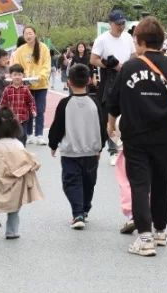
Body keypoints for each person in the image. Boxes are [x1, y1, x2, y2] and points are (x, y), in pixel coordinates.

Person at [106, 16, 167, 257]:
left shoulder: (129, 67)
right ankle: (160, 231)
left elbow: (113, 101)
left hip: (135, 136)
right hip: (165, 135)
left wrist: (111, 122)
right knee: (161, 181)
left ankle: (144, 238)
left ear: (140, 41)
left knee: (139, 184)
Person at [48, 64, 108, 229]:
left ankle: (78, 213)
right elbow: (101, 126)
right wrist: (101, 146)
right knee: (89, 181)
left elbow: (58, 126)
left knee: (72, 181)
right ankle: (84, 209)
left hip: (70, 151)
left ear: (69, 82)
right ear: (89, 80)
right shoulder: (94, 102)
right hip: (91, 150)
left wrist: (53, 143)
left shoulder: (65, 103)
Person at [0, 108, 44, 241]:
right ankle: (11, 232)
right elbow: (28, 162)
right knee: (14, 210)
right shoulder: (19, 146)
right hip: (15, 183)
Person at [91, 10, 135, 165]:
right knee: (111, 114)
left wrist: (127, 65)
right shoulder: (102, 39)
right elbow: (93, 59)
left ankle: (127, 148)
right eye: (118, 24)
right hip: (109, 77)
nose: (121, 27)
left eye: (123, 23)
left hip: (127, 75)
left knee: (128, 112)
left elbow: (134, 55)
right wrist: (110, 64)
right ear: (110, 24)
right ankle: (112, 150)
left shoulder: (128, 37)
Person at [11, 26, 51, 145]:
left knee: (39, 109)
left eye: (30, 33)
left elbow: (46, 65)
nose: (28, 36)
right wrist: (21, 77)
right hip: (26, 85)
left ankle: (39, 134)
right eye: (26, 34)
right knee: (27, 110)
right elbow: (17, 66)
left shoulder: (43, 48)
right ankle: (28, 134)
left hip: (41, 85)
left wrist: (40, 76)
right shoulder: (20, 50)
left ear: (35, 34)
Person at [0, 64, 36, 146]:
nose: (17, 77)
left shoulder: (26, 89)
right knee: (12, 137)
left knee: (22, 136)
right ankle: (13, 151)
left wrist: (33, 110)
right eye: (15, 75)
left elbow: (31, 101)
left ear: (23, 76)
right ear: (10, 76)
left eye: (19, 74)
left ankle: (22, 150)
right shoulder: (7, 90)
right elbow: (2, 103)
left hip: (23, 118)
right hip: (11, 119)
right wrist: (0, 115)